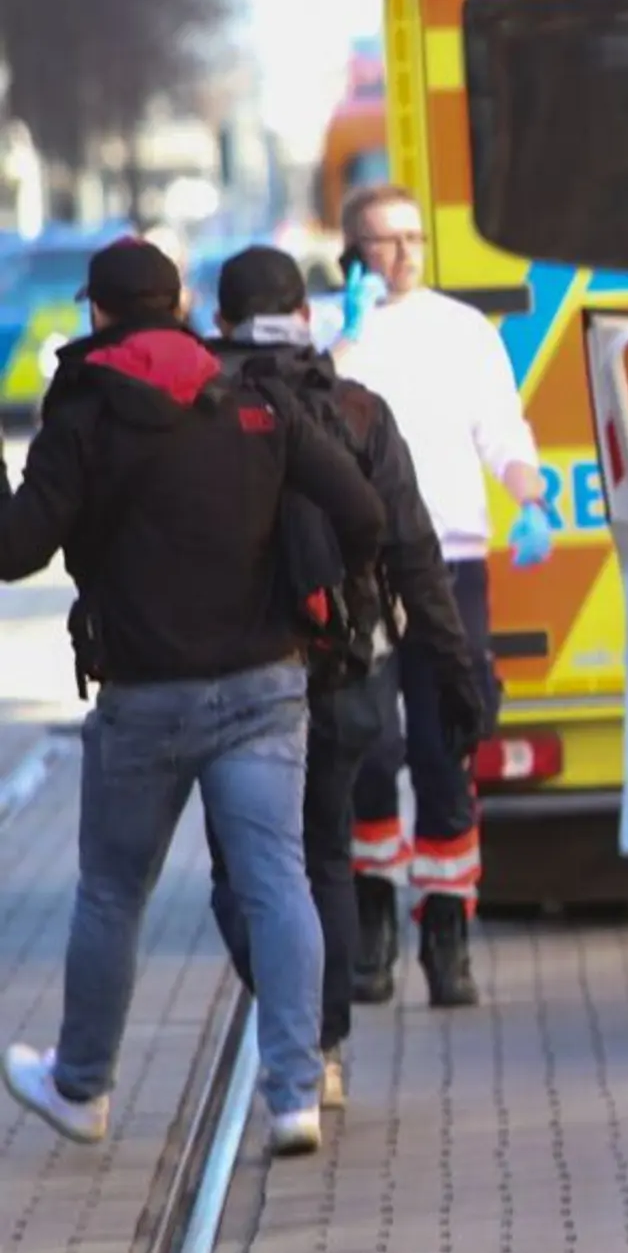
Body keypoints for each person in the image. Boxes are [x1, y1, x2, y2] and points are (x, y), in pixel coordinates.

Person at [0, 237, 385, 1158]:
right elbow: (363, 516)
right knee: (277, 882)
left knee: (110, 895)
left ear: (95, 315)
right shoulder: (256, 400)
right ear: (181, 308)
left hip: (143, 699)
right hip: (264, 687)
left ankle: (83, 1086)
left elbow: (15, 552)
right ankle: (295, 1094)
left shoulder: (82, 414)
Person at [197, 245, 485, 1110]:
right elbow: (414, 552)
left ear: (220, 322)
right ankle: (319, 1047)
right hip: (347, 671)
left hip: (233, 675)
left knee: (242, 871)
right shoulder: (359, 410)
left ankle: (297, 1018)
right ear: (311, 317)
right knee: (321, 854)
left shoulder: (198, 408)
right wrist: (454, 670)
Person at [331, 183, 548, 1008]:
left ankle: (448, 935)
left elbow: (503, 431)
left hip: (451, 562)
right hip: (363, 570)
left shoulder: (464, 331)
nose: (404, 254)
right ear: (353, 251)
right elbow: (310, 416)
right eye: (384, 241)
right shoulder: (334, 332)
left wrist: (530, 499)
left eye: (414, 237)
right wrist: (344, 338)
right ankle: (374, 925)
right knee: (370, 751)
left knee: (445, 746)